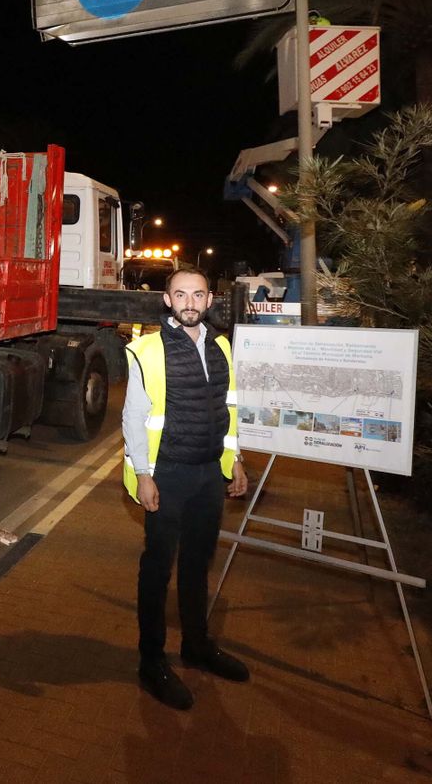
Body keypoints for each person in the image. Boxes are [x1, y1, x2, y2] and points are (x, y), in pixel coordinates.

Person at [122, 267, 250, 710]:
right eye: (181, 294)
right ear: (167, 299)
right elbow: (133, 417)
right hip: (168, 474)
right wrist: (142, 474)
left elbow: (227, 408)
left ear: (210, 300)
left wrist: (234, 461)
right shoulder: (146, 350)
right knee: (158, 569)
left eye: (198, 294)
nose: (190, 302)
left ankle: (196, 645)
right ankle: (151, 661)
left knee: (197, 565)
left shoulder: (222, 346)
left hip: (208, 475)